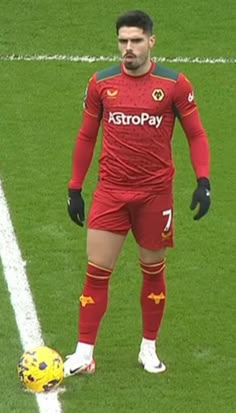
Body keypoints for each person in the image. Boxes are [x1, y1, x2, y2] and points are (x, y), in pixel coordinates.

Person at [64, 10, 211, 376]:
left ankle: (148, 347)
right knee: (96, 272)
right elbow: (86, 135)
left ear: (151, 42)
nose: (128, 48)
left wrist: (203, 180)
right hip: (110, 193)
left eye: (135, 41)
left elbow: (196, 134)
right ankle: (84, 354)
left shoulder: (175, 84)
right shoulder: (101, 83)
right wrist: (75, 187)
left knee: (153, 270)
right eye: (122, 41)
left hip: (154, 196)